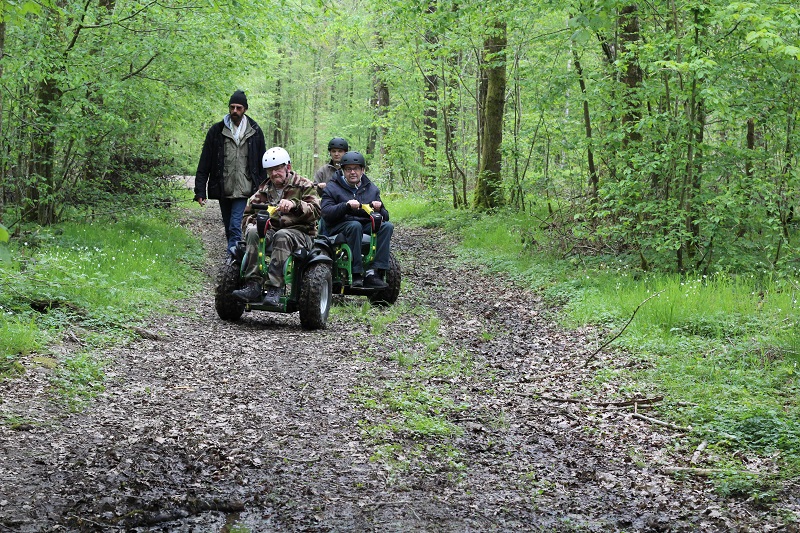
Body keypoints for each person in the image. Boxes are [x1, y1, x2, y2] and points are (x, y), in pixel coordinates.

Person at [232, 147, 321, 306]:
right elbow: (246, 215)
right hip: (271, 231)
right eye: (270, 171)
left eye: (278, 169)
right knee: (253, 231)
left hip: (301, 234)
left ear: (288, 167)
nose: (274, 174)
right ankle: (253, 283)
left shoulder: (304, 185)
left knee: (283, 235)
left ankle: (275, 287)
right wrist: (255, 222)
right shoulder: (263, 190)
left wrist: (295, 205)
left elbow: (316, 212)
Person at [194, 90, 267, 253]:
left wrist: (263, 189)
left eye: (238, 108)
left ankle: (232, 260)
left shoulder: (255, 131)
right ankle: (236, 255)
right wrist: (200, 190)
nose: (235, 111)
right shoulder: (216, 131)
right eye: (232, 107)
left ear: (245, 109)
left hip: (244, 188)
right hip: (223, 187)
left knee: (235, 225)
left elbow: (262, 163)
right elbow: (205, 162)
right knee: (228, 226)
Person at [320, 151, 391, 289]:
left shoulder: (371, 189)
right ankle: (356, 272)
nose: (352, 172)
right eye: (348, 169)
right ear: (343, 171)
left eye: (356, 168)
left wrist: (380, 208)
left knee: (386, 226)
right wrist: (346, 206)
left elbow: (385, 215)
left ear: (362, 170)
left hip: (363, 224)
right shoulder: (332, 187)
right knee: (354, 226)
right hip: (338, 225)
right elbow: (326, 213)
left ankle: (376, 272)